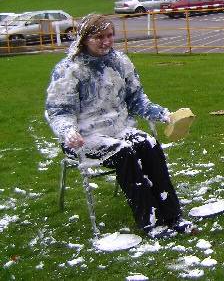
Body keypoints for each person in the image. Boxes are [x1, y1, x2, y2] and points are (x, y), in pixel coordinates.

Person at [45, 14, 192, 238]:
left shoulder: (120, 62)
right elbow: (58, 110)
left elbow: (136, 99)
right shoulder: (69, 69)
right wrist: (68, 131)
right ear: (84, 38)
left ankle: (172, 215)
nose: (106, 42)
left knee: (149, 144)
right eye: (98, 37)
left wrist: (164, 114)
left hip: (119, 128)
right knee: (124, 153)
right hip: (84, 136)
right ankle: (150, 222)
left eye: (110, 36)